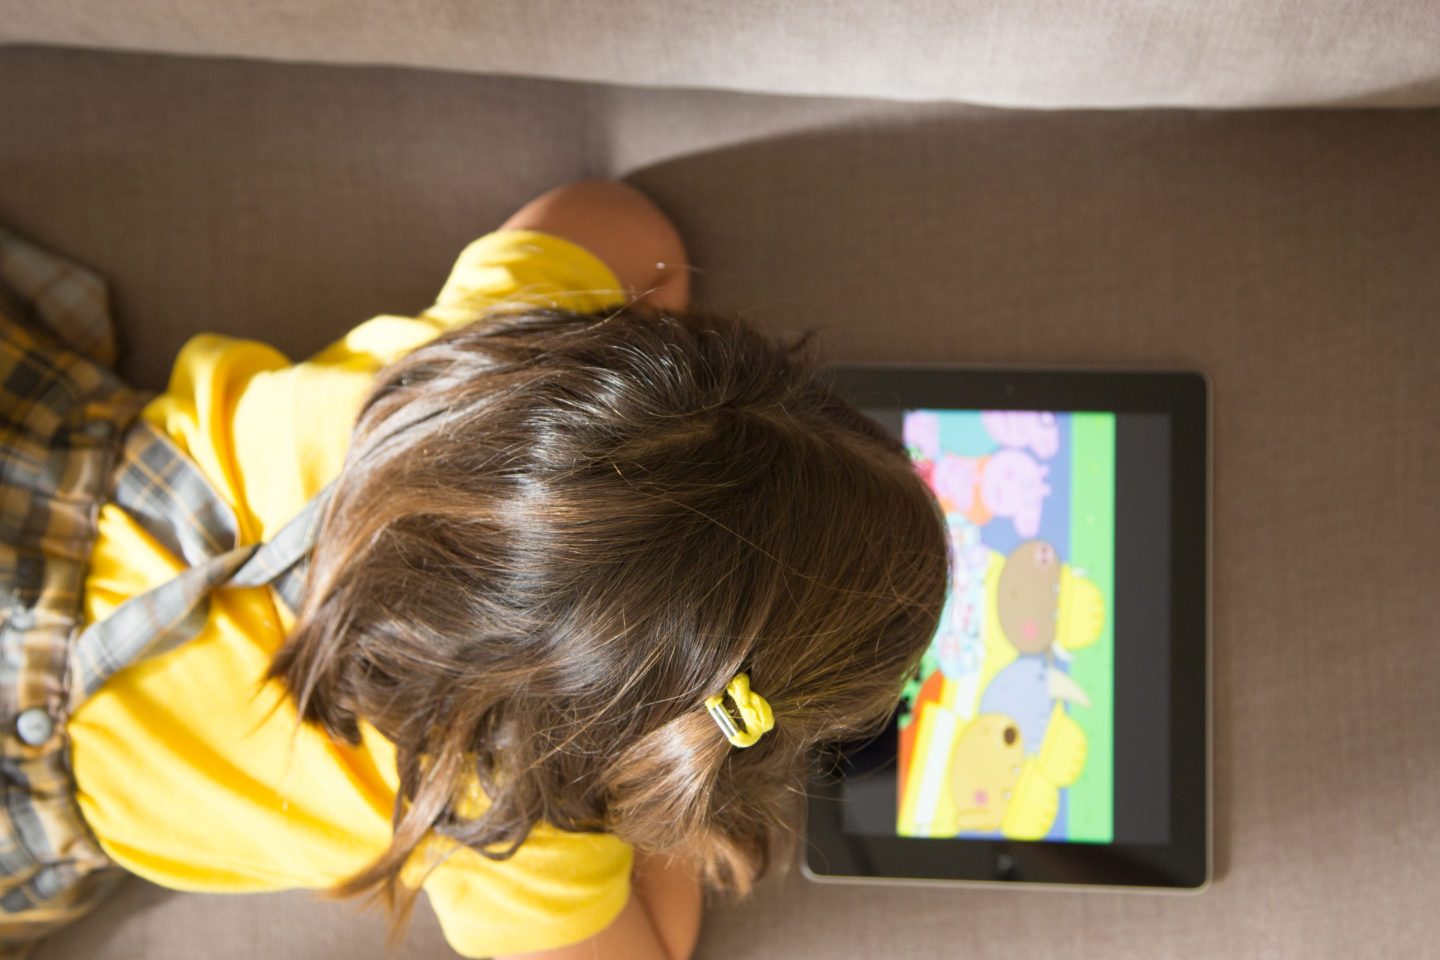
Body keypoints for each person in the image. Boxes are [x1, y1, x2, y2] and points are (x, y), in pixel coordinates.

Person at [0, 180, 950, 960]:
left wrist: (659, 449)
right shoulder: (508, 821)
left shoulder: (497, 343)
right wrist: (650, 793)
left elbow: (624, 225)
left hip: (36, 464)